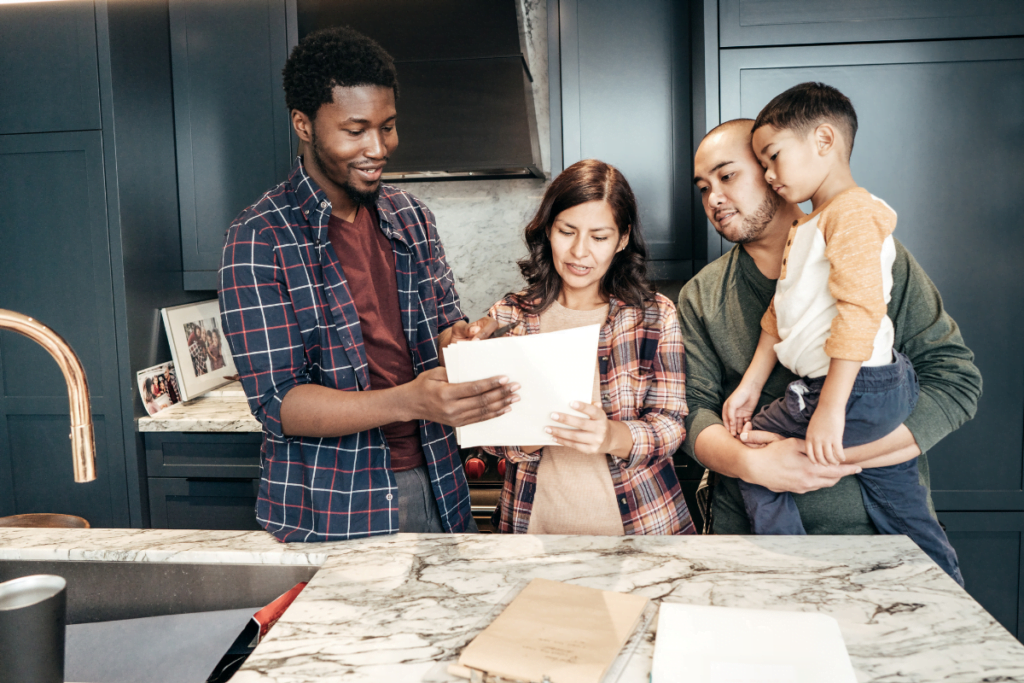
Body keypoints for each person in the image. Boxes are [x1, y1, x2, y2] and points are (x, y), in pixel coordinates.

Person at [219, 26, 518, 541]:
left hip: (440, 481)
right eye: (356, 130)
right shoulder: (259, 238)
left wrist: (460, 340)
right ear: (304, 125)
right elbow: (278, 404)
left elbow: (444, 325)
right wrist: (410, 400)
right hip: (336, 504)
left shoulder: (412, 217)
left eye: (389, 126)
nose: (378, 148)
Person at [680, 117, 981, 558]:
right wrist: (752, 463)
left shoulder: (876, 255)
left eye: (727, 176)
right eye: (703, 187)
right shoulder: (701, 295)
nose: (714, 198)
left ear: (773, 170)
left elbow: (956, 384)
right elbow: (688, 411)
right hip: (747, 547)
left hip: (877, 545)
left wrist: (829, 455)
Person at [483, 159, 694, 535]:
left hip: (643, 535)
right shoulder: (509, 316)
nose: (580, 251)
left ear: (622, 239)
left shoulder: (654, 316)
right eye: (567, 231)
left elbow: (671, 425)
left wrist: (611, 436)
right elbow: (487, 432)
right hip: (534, 534)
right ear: (548, 228)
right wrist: (526, 437)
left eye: (599, 237)